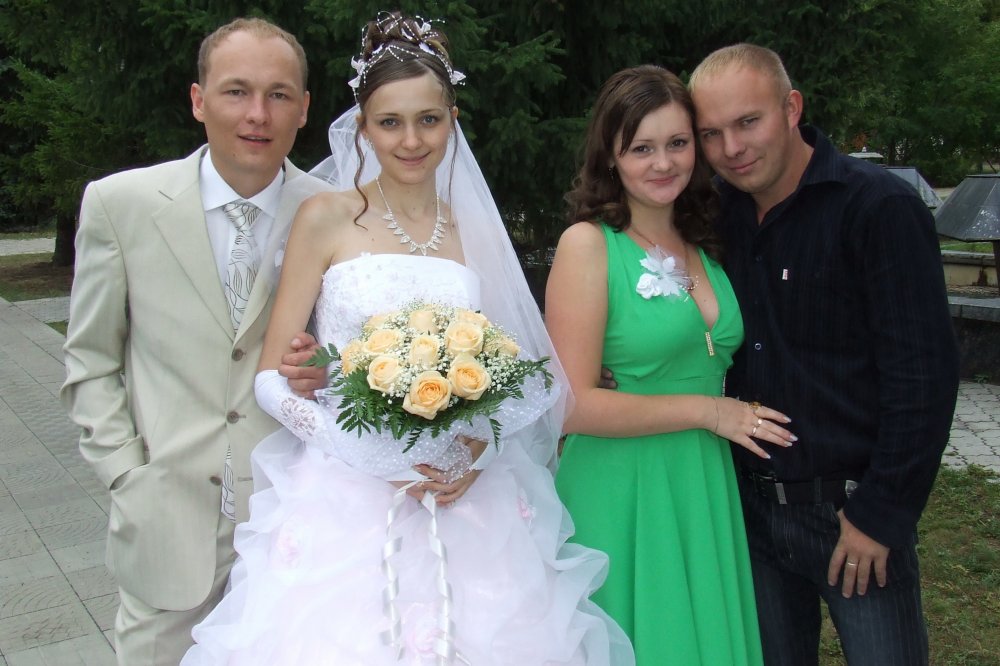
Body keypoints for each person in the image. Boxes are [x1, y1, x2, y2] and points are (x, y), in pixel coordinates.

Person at [181, 12, 634, 665]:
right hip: (345, 496)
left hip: (465, 496)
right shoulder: (325, 218)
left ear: (452, 120)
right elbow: (271, 379)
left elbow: (527, 376)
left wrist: (479, 448)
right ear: (363, 127)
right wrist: (364, 452)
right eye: (390, 122)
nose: (412, 140)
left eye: (429, 119)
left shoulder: (474, 228)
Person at [61, 17, 330, 665]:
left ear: (303, 109)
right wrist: (127, 473)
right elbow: (90, 361)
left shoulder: (336, 212)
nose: (257, 114)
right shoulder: (120, 205)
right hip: (165, 525)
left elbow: (352, 353)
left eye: (278, 94)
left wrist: (326, 368)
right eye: (236, 91)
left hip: (293, 528)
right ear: (198, 100)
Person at [688, 44, 959, 665]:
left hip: (852, 514)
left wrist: (882, 513)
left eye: (748, 122)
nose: (732, 147)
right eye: (711, 134)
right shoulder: (714, 216)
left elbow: (923, 377)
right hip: (749, 513)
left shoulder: (877, 208)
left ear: (791, 108)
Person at [547, 65, 796, 665]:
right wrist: (711, 411)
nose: (663, 163)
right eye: (642, 148)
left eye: (678, 143)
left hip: (701, 482)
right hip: (623, 486)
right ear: (611, 157)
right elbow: (570, 406)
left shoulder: (706, 240)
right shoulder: (589, 245)